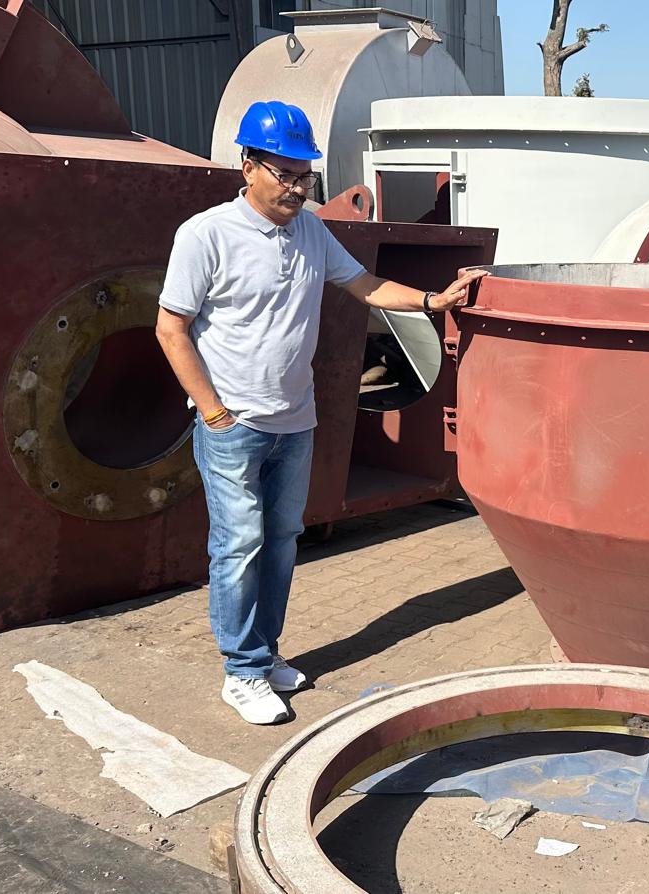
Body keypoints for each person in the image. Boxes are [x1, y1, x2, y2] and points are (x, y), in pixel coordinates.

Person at [156, 100, 485, 724]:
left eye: (305, 175)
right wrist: (215, 413)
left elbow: (365, 286)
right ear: (248, 166)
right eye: (286, 174)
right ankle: (242, 670)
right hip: (234, 427)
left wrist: (432, 300)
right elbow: (171, 328)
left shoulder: (310, 231)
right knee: (239, 545)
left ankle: (265, 652)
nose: (298, 188)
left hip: (294, 422)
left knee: (281, 540)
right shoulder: (206, 235)